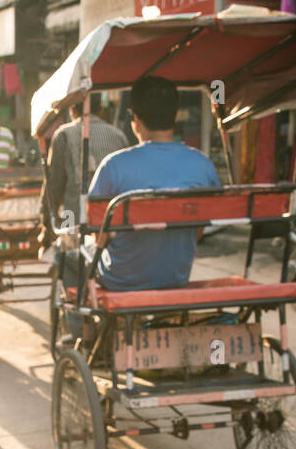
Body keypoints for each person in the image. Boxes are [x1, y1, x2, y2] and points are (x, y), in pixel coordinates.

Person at [55, 76, 220, 341]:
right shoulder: (203, 165)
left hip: (121, 278)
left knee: (64, 253)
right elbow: (199, 230)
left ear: (136, 120)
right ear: (175, 115)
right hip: (175, 275)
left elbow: (100, 237)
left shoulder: (114, 166)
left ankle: (83, 335)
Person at [40, 94, 130, 239]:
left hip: (75, 220)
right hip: (114, 222)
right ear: (101, 109)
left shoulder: (64, 134)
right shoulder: (118, 135)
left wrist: (46, 225)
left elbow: (53, 187)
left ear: (72, 110)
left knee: (68, 252)